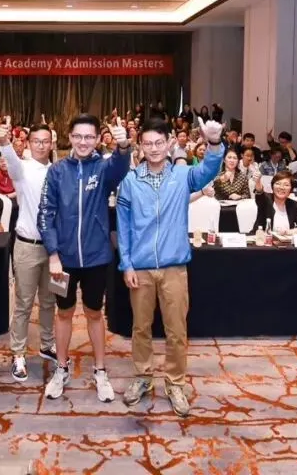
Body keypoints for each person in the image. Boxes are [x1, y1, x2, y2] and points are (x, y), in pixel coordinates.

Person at [116, 117, 224, 417]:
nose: (153, 149)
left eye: (159, 143)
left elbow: (209, 170)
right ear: (140, 146)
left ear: (169, 144)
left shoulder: (182, 175)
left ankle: (175, 382)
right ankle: (143, 376)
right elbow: (123, 226)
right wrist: (127, 264)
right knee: (141, 327)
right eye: (148, 143)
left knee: (176, 330)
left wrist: (214, 143)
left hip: (174, 267)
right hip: (140, 268)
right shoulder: (130, 181)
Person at [38, 114, 131, 403]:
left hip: (96, 258)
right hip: (62, 261)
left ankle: (100, 371)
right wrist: (53, 254)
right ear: (69, 137)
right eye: (78, 136)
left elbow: (120, 167)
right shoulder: (56, 171)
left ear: (98, 139)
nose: (83, 142)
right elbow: (46, 213)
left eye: (89, 137)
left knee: (94, 313)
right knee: (63, 312)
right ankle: (61, 368)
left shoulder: (103, 169)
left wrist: (123, 147)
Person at [0, 121, 58, 383]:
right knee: (23, 303)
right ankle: (18, 352)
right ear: (29, 143)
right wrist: (4, 141)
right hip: (27, 246)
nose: (41, 145)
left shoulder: (57, 171)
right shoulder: (22, 169)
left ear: (52, 144)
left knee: (50, 301)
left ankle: (47, 344)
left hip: (54, 250)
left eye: (45, 141)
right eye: (36, 141)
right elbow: (10, 159)